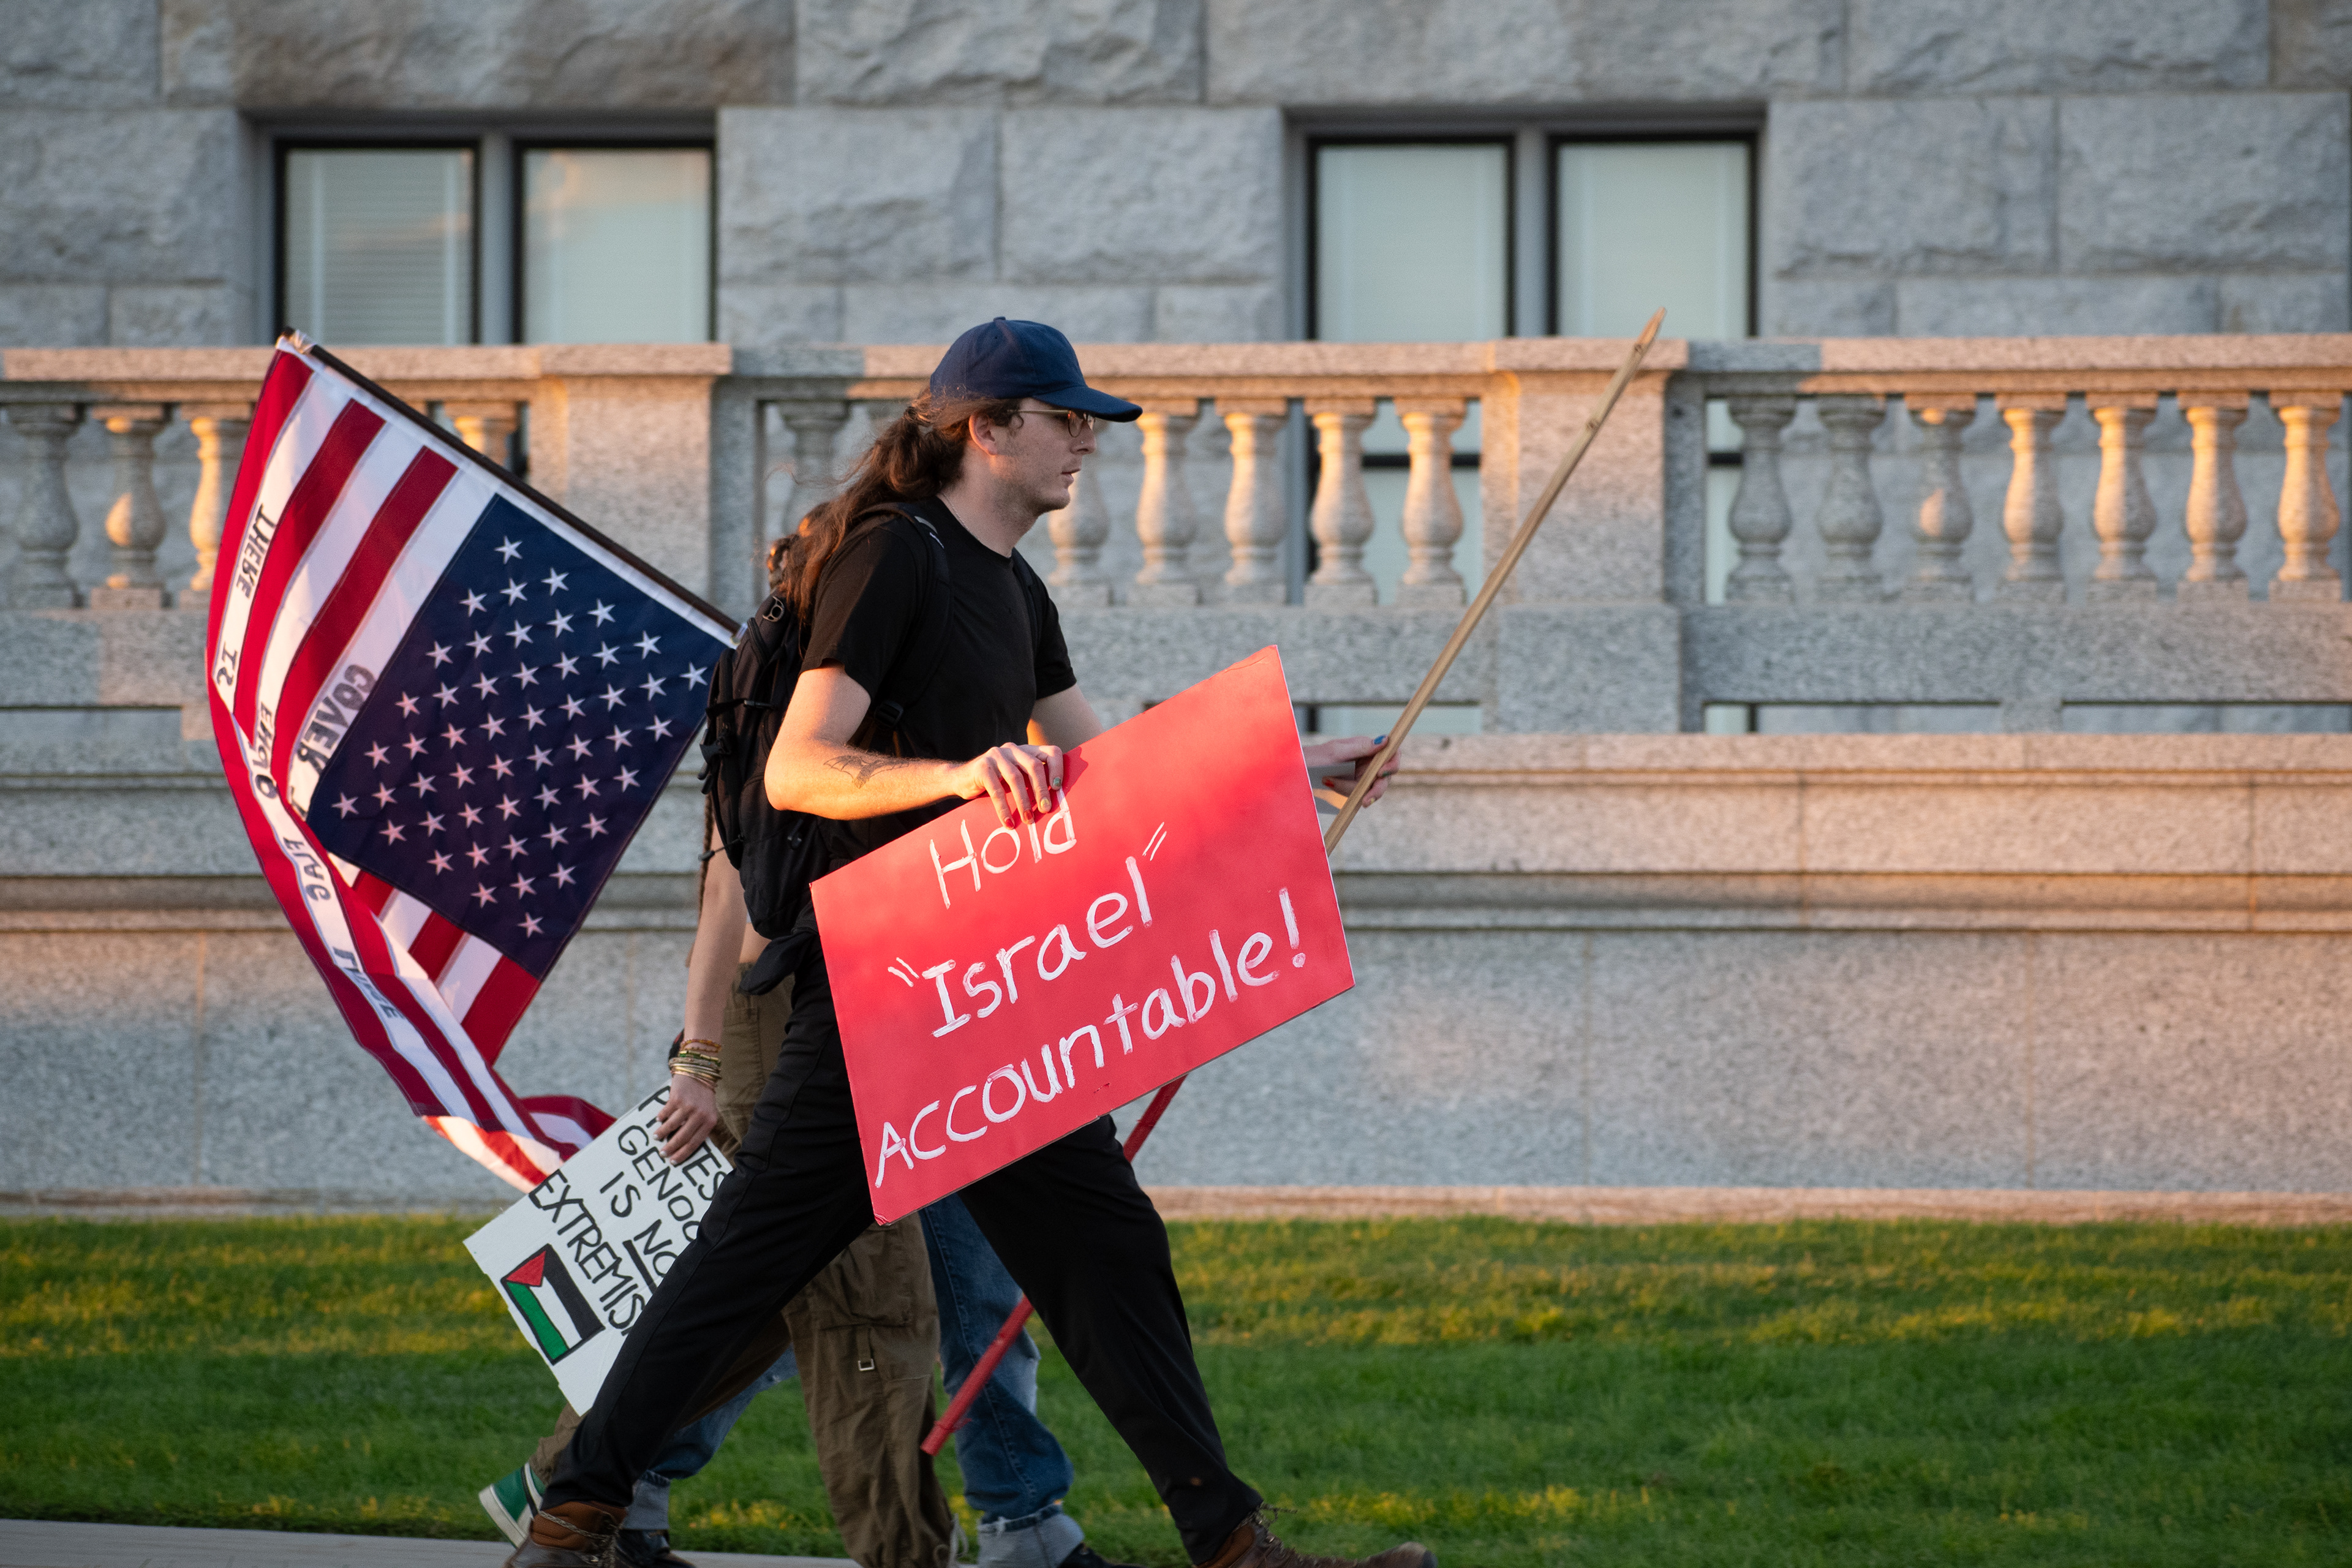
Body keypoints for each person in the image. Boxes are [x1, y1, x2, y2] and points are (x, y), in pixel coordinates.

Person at [507, 318, 1426, 1568]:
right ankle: (576, 1510)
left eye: (1086, 420)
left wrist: (1290, 768)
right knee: (742, 1266)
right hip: (878, 995)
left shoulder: (1017, 585)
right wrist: (956, 776)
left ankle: (1231, 1540)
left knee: (1108, 1249)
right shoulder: (894, 556)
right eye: (1062, 418)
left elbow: (1106, 777)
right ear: (983, 428)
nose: (1085, 442)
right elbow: (801, 766)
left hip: (990, 995)